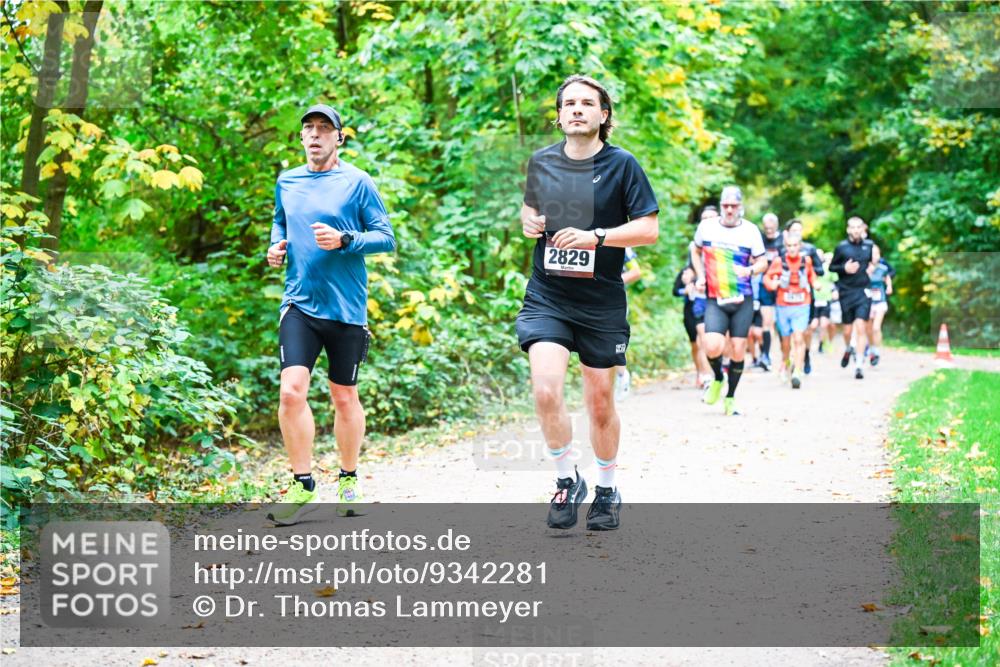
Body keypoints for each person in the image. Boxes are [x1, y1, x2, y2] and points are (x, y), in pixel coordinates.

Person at [517, 75, 659, 531]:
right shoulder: (542, 162)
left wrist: (596, 236)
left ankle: (607, 489)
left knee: (599, 403)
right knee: (545, 391)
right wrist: (529, 221)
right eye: (569, 104)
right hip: (548, 296)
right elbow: (529, 208)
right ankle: (566, 480)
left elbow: (648, 230)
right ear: (559, 116)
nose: (577, 109)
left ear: (603, 114)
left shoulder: (622, 165)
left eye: (587, 103)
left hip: (601, 302)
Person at [265, 103, 397, 526]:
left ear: (339, 137)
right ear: (302, 137)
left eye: (325, 128)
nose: (315, 134)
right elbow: (280, 223)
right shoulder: (287, 181)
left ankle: (348, 479)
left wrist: (345, 240)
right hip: (299, 302)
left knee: (344, 396)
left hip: (346, 307)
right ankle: (302, 484)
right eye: (309, 128)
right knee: (291, 392)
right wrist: (275, 246)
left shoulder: (358, 182)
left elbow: (386, 238)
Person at [691, 186, 767, 416]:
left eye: (734, 206)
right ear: (721, 206)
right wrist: (701, 276)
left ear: (740, 206)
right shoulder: (707, 227)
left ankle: (730, 397)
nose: (730, 210)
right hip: (716, 297)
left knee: (738, 349)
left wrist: (750, 270)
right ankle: (718, 378)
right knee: (711, 345)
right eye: (726, 205)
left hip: (742, 298)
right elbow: (695, 251)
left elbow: (763, 262)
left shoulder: (750, 231)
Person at [829, 216, 880, 379]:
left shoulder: (869, 245)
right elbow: (832, 267)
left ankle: (859, 364)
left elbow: (873, 262)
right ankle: (848, 348)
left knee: (861, 327)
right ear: (848, 229)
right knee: (847, 330)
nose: (856, 230)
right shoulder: (841, 247)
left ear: (863, 229)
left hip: (863, 291)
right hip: (846, 291)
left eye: (859, 227)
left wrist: (872, 268)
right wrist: (844, 268)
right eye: (853, 227)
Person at [764, 233, 817, 389]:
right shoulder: (779, 261)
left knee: (799, 338)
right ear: (785, 247)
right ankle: (786, 362)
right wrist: (772, 284)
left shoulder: (806, 261)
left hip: (802, 304)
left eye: (795, 245)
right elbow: (767, 278)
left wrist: (816, 284)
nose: (792, 248)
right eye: (789, 246)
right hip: (783, 305)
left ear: (800, 246)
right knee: (786, 342)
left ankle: (797, 372)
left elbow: (811, 276)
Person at [781, 219, 825, 374]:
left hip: (806, 295)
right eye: (794, 230)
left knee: (804, 330)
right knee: (787, 334)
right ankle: (789, 359)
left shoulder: (810, 249)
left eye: (799, 230)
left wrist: (807, 269)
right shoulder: (783, 250)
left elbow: (820, 271)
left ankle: (805, 355)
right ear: (787, 233)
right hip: (786, 296)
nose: (797, 233)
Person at [615, 247, 642, 400]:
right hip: (585, 300)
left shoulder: (619, 242)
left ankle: (622, 376)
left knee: (614, 341)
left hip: (614, 300)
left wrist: (610, 281)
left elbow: (636, 271)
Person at [757, 213, 782, 371]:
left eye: (771, 228)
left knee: (781, 324)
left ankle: (786, 356)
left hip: (782, 285)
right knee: (766, 321)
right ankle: (765, 355)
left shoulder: (783, 240)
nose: (769, 231)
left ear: (777, 226)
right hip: (764, 284)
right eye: (766, 228)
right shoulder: (760, 240)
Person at [866, 257, 895, 366]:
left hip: (880, 301)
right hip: (867, 302)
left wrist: (889, 286)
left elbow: (888, 277)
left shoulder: (883, 268)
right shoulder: (864, 267)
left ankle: (876, 351)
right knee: (868, 329)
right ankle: (871, 348)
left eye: (876, 254)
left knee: (876, 328)